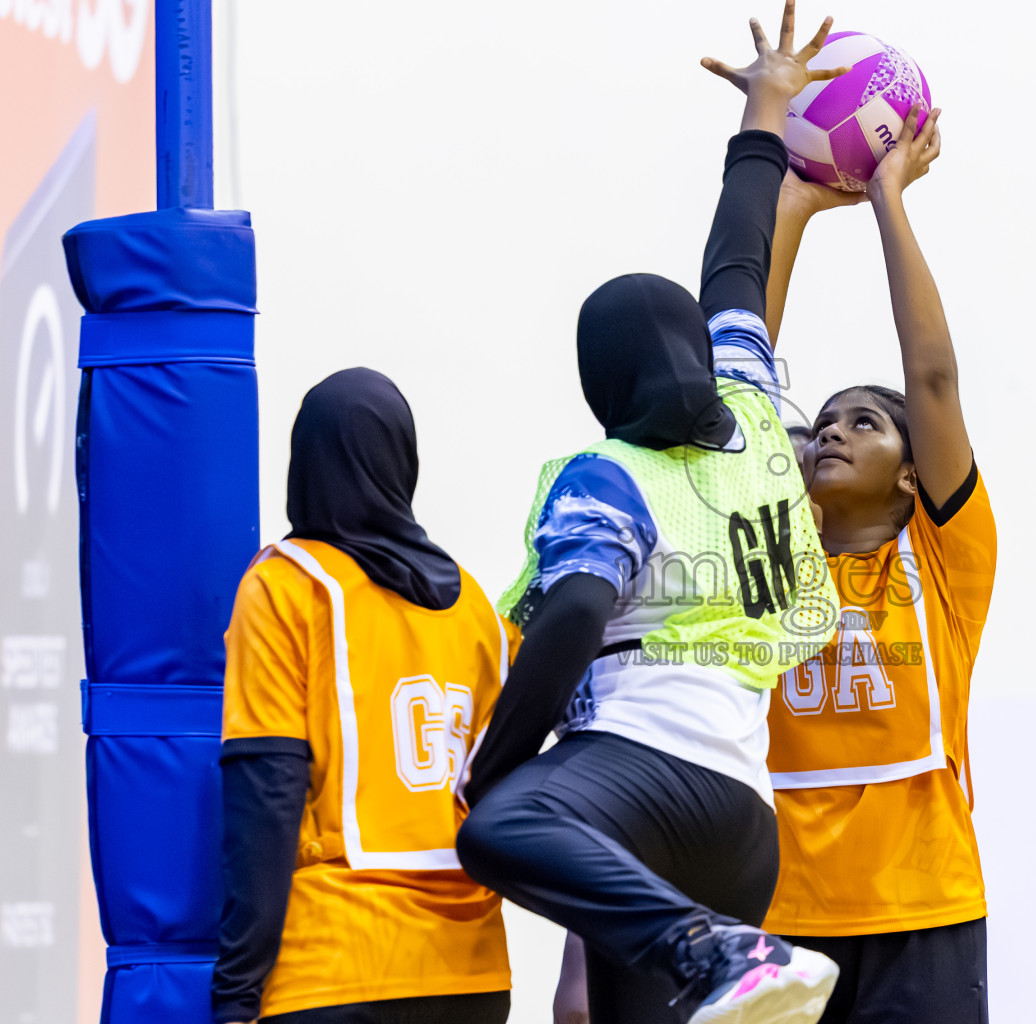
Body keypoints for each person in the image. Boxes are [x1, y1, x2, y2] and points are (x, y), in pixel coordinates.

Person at [454, 4, 847, 1022]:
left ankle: (708, 943)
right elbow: (737, 262)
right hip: (744, 817)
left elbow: (576, 618)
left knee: (498, 827)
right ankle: (722, 946)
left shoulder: (608, 469)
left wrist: (492, 767)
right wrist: (767, 107)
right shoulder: (759, 417)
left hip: (640, 771)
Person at [761, 103, 998, 1024]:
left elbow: (931, 378)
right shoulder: (771, 555)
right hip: (782, 917)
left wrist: (887, 199)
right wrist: (791, 204)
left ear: (911, 473)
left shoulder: (944, 560)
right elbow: (732, 376)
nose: (830, 431)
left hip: (923, 912)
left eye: (864, 421)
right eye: (822, 421)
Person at [212, 369, 513, 1024]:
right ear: (404, 464)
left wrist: (235, 992)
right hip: (473, 976)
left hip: (338, 967)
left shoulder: (290, 588)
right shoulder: (477, 611)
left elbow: (265, 797)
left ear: (306, 464)